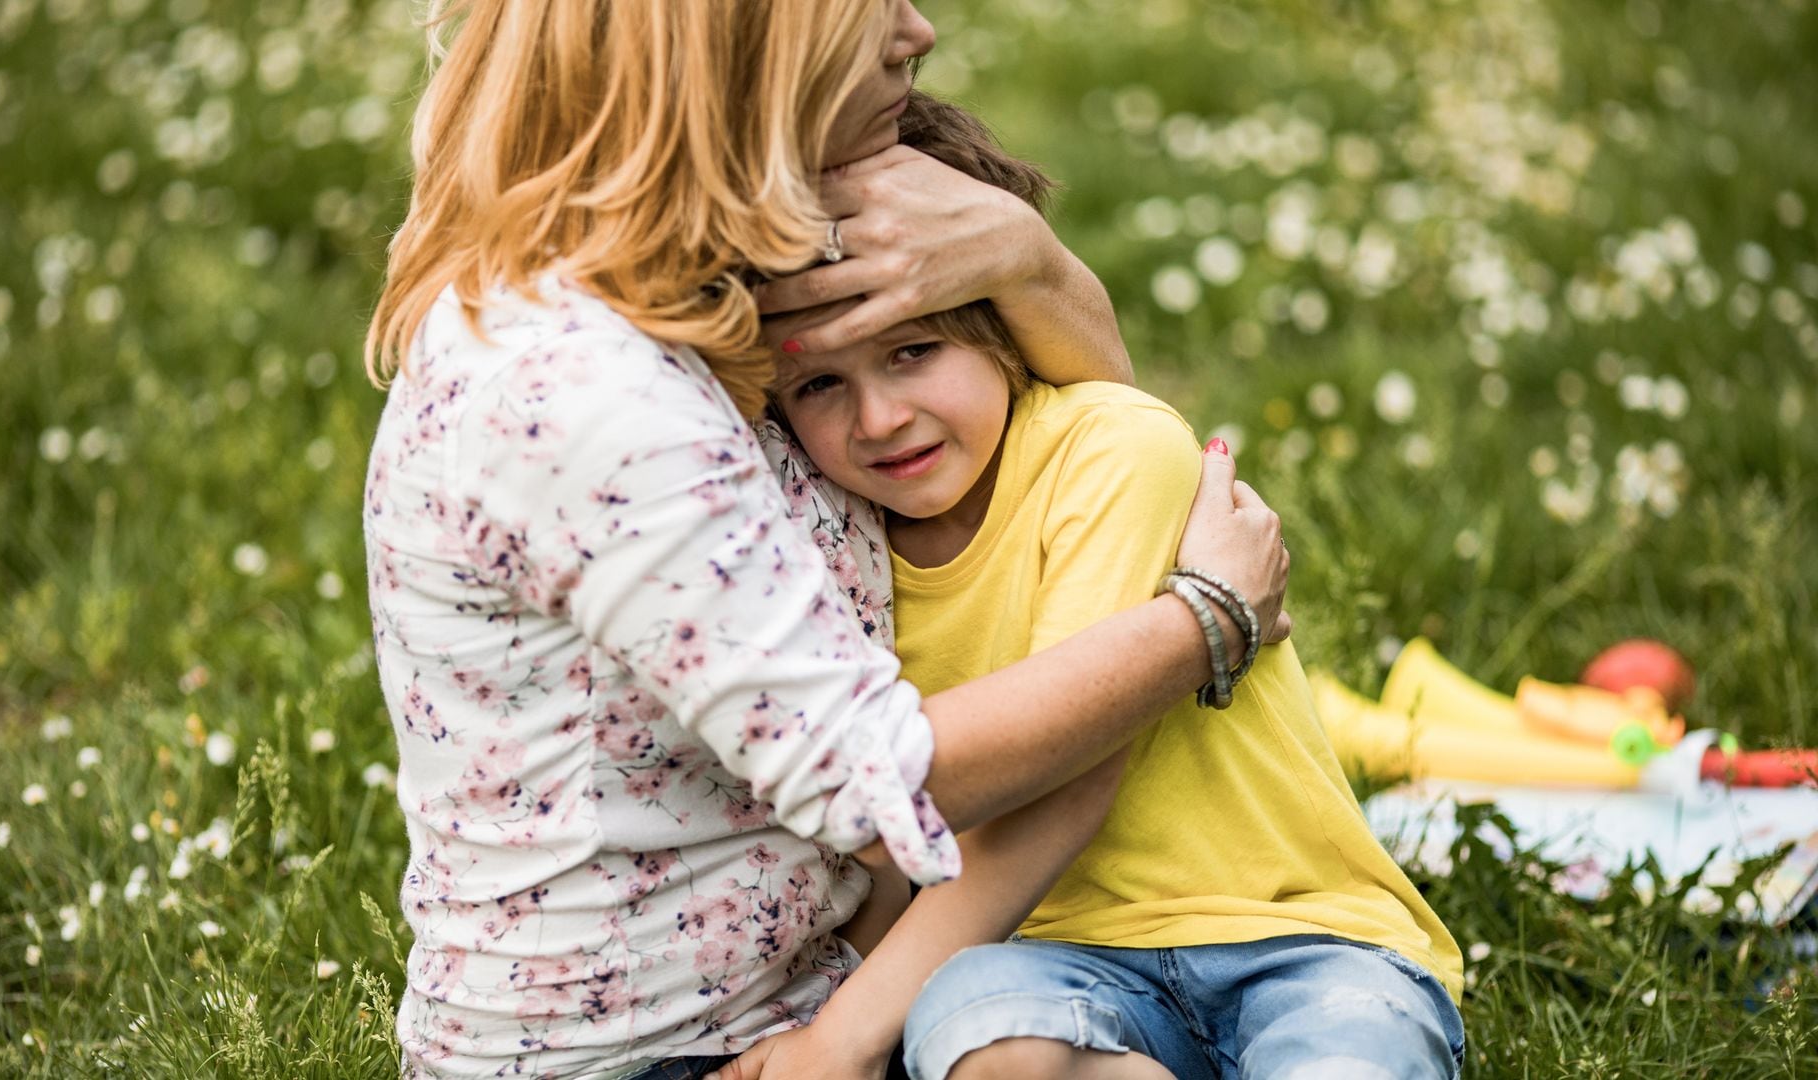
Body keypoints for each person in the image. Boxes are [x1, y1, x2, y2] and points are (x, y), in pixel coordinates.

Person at [360, 2, 1291, 1078]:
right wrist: (1202, 622)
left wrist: (1031, 267)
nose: (918, 32)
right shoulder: (582, 395)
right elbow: (885, 785)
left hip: (825, 984)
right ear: (743, 51)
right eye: (868, 7)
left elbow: (1084, 460)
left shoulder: (703, 285)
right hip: (663, 1056)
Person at [738, 95, 1465, 1080]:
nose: (879, 417)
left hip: (1293, 935)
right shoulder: (833, 543)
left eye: (914, 351)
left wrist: (841, 1039)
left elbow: (1070, 772)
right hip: (1050, 958)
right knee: (979, 1036)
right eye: (821, 385)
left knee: (1349, 1049)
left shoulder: (1110, 447)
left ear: (1002, 326)